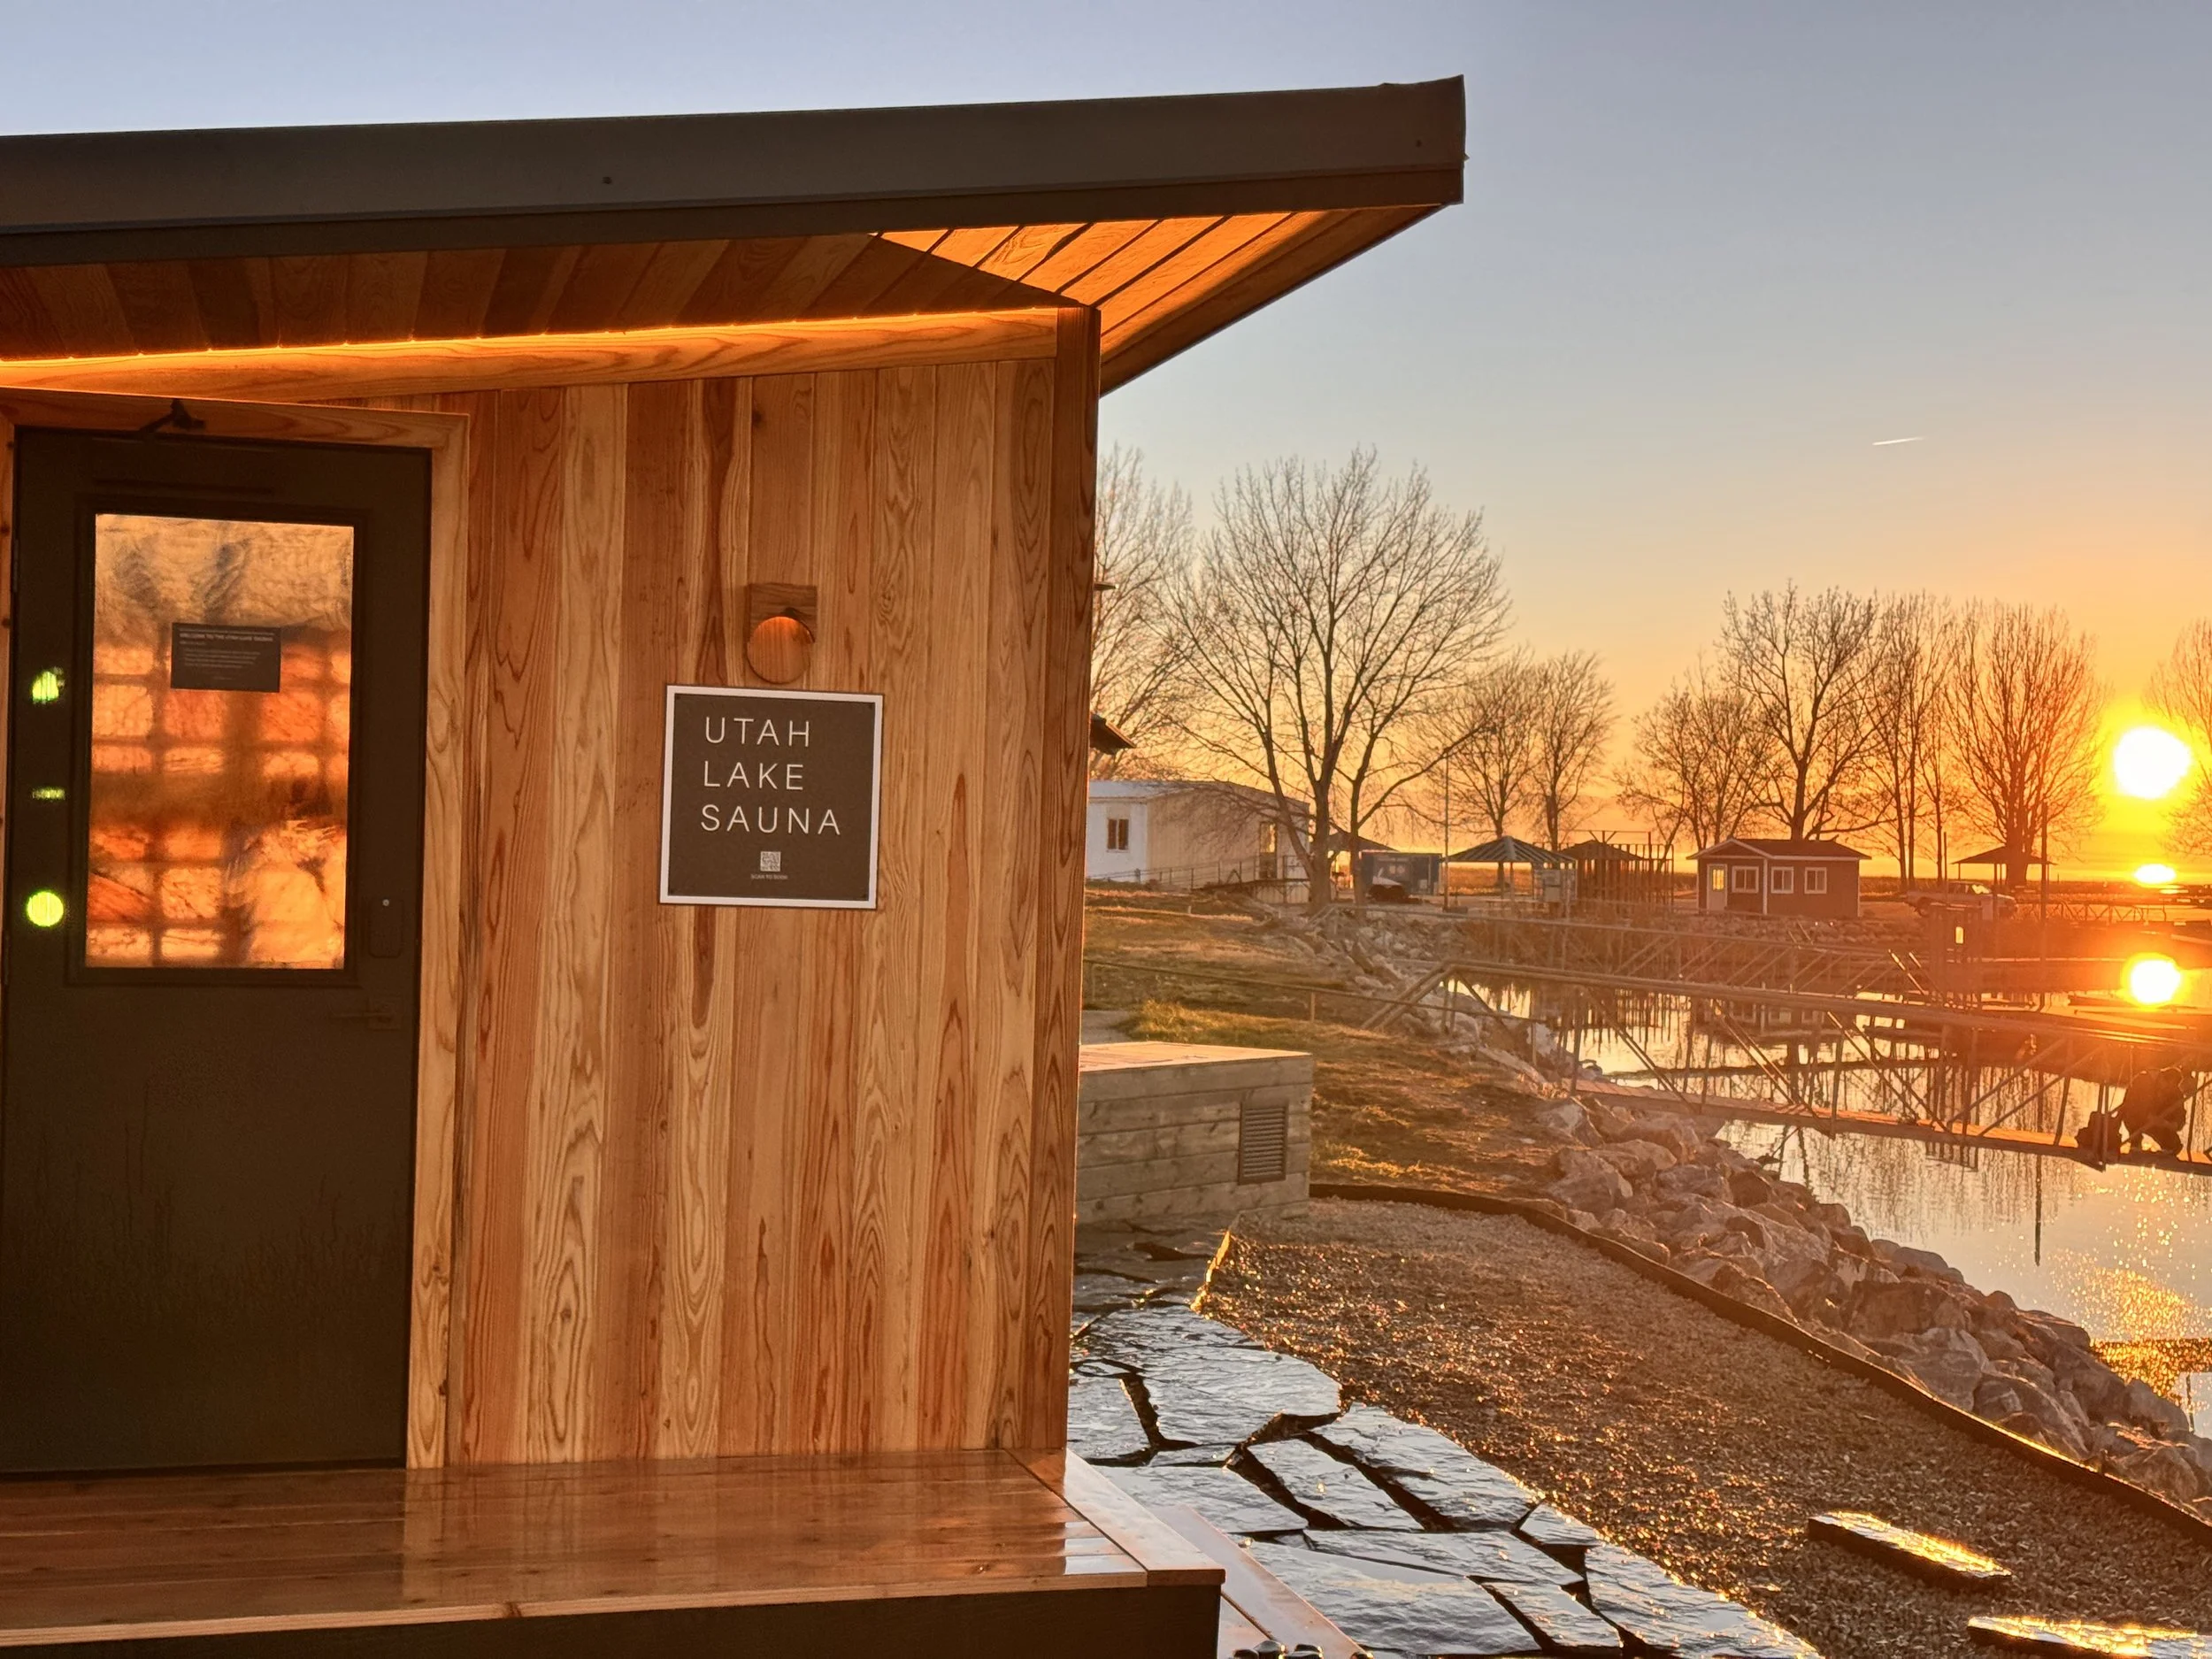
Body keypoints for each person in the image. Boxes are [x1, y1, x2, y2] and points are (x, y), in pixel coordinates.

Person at [2116, 1064, 2191, 1156]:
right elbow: (2130, 1105)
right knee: (2135, 1135)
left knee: (2173, 1144)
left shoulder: (2175, 1092)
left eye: (2171, 1088)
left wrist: (2173, 1124)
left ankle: (2166, 1152)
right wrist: (2148, 1117)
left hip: (2158, 1123)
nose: (2167, 1090)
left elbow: (2180, 1114)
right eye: (2167, 1085)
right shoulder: (2142, 1082)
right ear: (2161, 1078)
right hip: (2135, 1119)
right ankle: (2135, 1144)